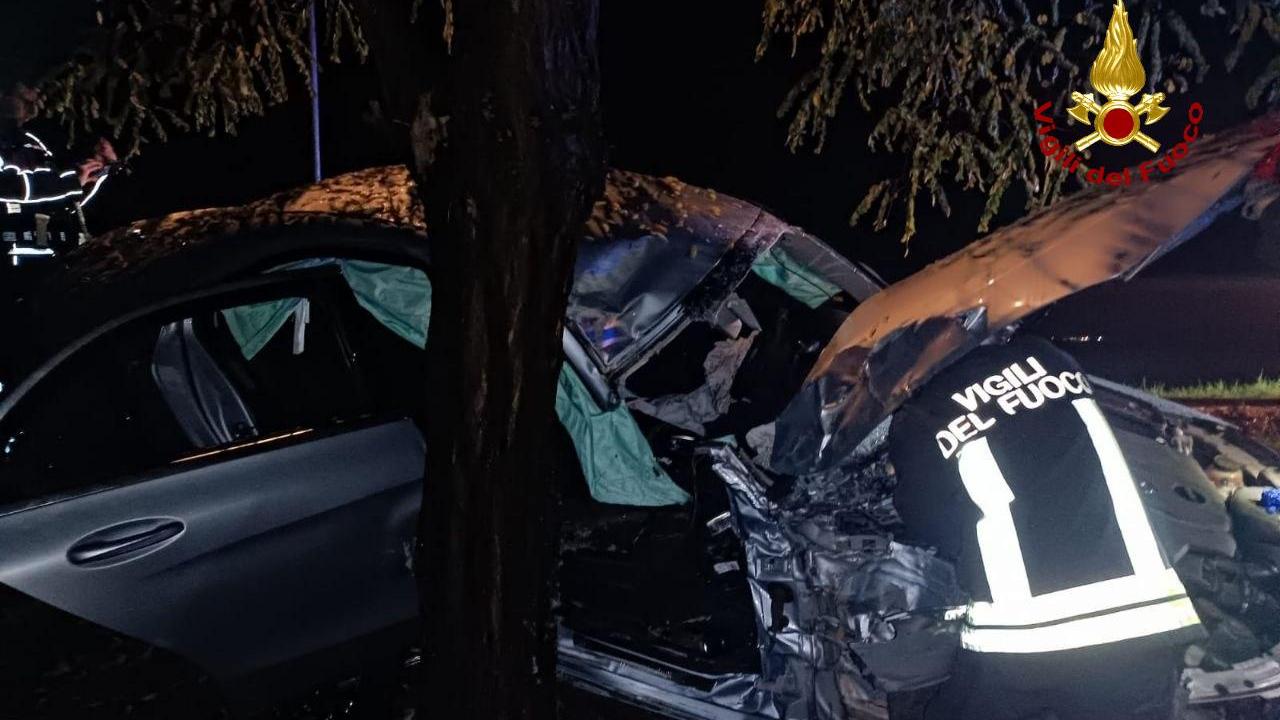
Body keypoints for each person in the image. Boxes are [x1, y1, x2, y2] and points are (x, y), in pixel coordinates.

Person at [889, 335, 1203, 720]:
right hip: (1146, 616)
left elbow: (928, 521)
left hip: (1031, 632)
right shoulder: (1052, 359)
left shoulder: (921, 414)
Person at [0, 83, 115, 270]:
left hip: (46, 255)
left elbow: (58, 201)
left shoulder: (29, 141)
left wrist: (95, 175)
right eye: (24, 98)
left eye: (35, 99)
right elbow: (10, 186)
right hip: (8, 261)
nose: (33, 105)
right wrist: (71, 182)